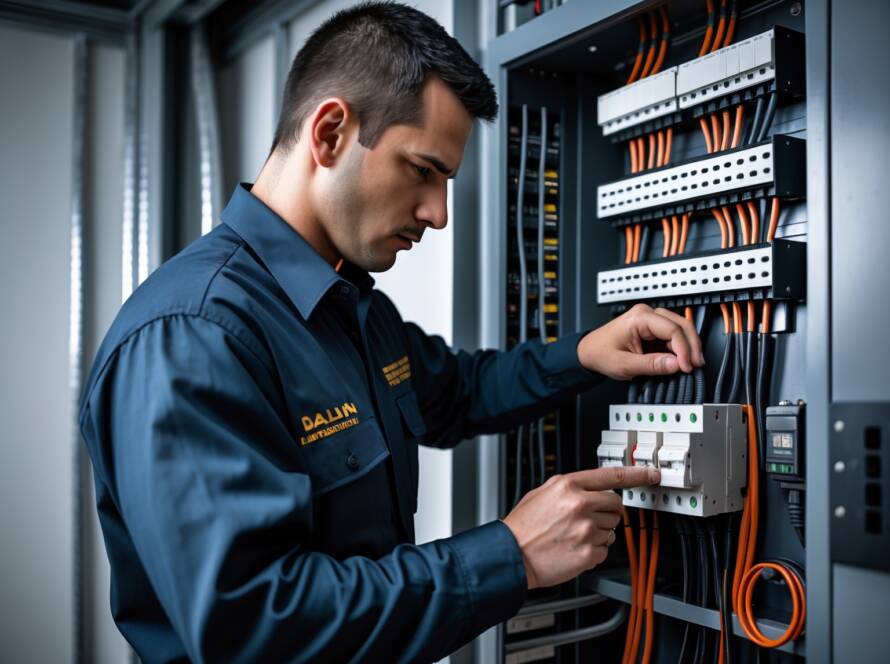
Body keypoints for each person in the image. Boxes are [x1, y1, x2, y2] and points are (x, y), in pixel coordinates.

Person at [79, 2, 704, 662]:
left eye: (445, 180)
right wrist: (510, 554)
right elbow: (256, 627)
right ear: (329, 135)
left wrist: (583, 354)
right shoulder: (193, 337)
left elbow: (457, 391)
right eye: (421, 169)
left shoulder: (350, 308)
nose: (436, 213)